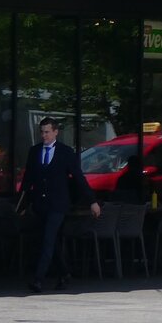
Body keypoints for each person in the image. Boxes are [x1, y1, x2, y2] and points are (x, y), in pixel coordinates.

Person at [21, 117, 100, 293]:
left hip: (58, 204)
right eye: (42, 132)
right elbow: (28, 179)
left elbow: (78, 177)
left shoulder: (65, 152)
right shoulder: (34, 151)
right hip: (41, 204)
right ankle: (64, 273)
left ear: (56, 132)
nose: (44, 135)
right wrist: (22, 203)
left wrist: (92, 201)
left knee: (48, 239)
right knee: (50, 241)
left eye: (47, 132)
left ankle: (38, 279)